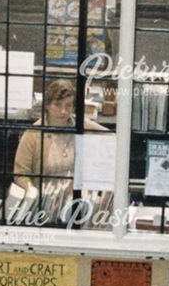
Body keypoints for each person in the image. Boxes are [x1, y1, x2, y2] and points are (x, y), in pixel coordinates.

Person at [12, 80, 106, 223]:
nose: (63, 111)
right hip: (43, 208)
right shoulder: (33, 134)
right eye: (57, 105)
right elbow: (20, 174)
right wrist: (36, 196)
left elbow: (113, 138)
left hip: (76, 206)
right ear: (48, 106)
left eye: (68, 106)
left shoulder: (82, 125)